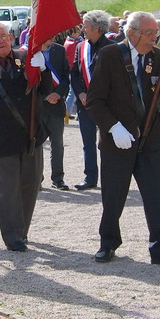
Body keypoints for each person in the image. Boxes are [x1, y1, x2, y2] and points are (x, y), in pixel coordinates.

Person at [85, 11, 160, 265]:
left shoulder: (156, 56)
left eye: (155, 32)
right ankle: (108, 242)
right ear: (131, 33)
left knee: (157, 194)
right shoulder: (110, 55)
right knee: (113, 195)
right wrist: (113, 127)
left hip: (150, 139)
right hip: (118, 141)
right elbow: (94, 101)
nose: (153, 37)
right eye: (148, 33)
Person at [0, 20, 52, 251]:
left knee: (31, 183)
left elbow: (45, 90)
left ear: (11, 37)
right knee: (8, 188)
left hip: (32, 134)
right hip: (4, 138)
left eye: (4, 36)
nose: (1, 40)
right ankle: (12, 236)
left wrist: (43, 69)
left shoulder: (27, 58)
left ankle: (22, 231)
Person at [69, 10, 115, 190]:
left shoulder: (112, 47)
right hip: (85, 104)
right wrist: (80, 93)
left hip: (105, 104)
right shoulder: (81, 47)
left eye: (85, 26)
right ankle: (90, 177)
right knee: (87, 142)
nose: (82, 29)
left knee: (108, 142)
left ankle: (110, 177)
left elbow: (115, 79)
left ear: (97, 28)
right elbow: (74, 73)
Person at [40, 35, 71, 190]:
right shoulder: (29, 51)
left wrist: (58, 93)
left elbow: (66, 76)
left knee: (57, 143)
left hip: (56, 105)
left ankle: (58, 178)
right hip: (38, 106)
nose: (52, 36)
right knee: (36, 144)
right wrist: (43, 97)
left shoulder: (59, 50)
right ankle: (37, 177)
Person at [62, 25, 82, 118]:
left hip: (69, 69)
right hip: (72, 69)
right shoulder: (73, 44)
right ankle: (67, 111)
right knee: (73, 92)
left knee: (73, 92)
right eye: (78, 32)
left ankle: (69, 111)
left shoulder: (68, 42)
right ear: (73, 33)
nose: (79, 34)